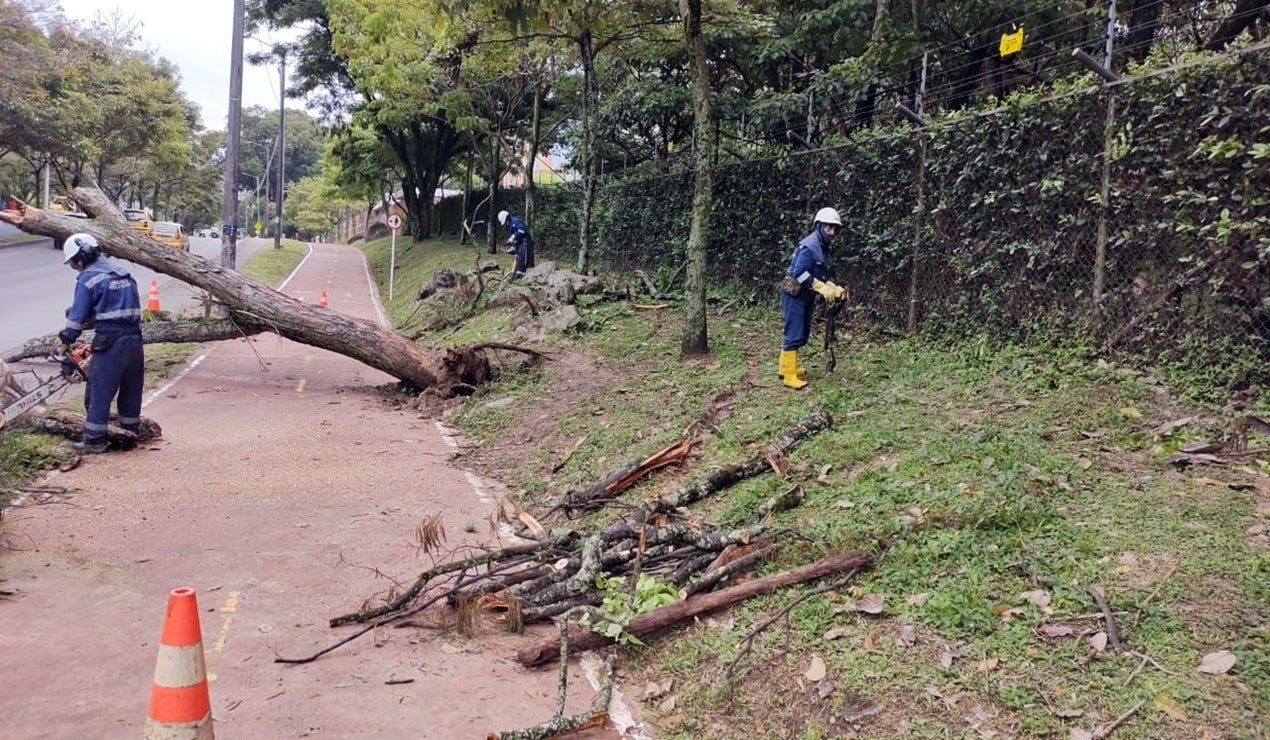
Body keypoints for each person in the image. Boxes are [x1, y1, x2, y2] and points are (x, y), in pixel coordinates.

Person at [58, 233, 145, 453]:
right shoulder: (124, 274)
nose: (75, 267)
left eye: (74, 262)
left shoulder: (88, 278)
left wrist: (66, 340)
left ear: (83, 255)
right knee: (131, 389)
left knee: (100, 391)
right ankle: (130, 433)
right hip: (135, 340)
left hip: (110, 343)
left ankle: (95, 440)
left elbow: (76, 319)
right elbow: (121, 310)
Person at [778, 207, 847, 389]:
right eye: (828, 228)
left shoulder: (822, 246)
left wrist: (830, 285)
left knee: (802, 332)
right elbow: (798, 272)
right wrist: (820, 287)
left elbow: (818, 273)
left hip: (805, 294)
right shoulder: (810, 246)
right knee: (794, 332)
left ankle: (785, 368)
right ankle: (789, 376)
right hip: (794, 294)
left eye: (834, 228)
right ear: (819, 226)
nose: (831, 232)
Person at [498, 210, 535, 280]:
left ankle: (520, 279)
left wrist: (511, 239)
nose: (506, 224)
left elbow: (521, 231)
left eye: (505, 222)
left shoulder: (516, 222)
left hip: (526, 243)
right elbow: (517, 239)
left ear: (507, 219)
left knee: (523, 262)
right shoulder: (512, 225)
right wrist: (512, 247)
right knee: (519, 262)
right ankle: (519, 278)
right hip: (521, 244)